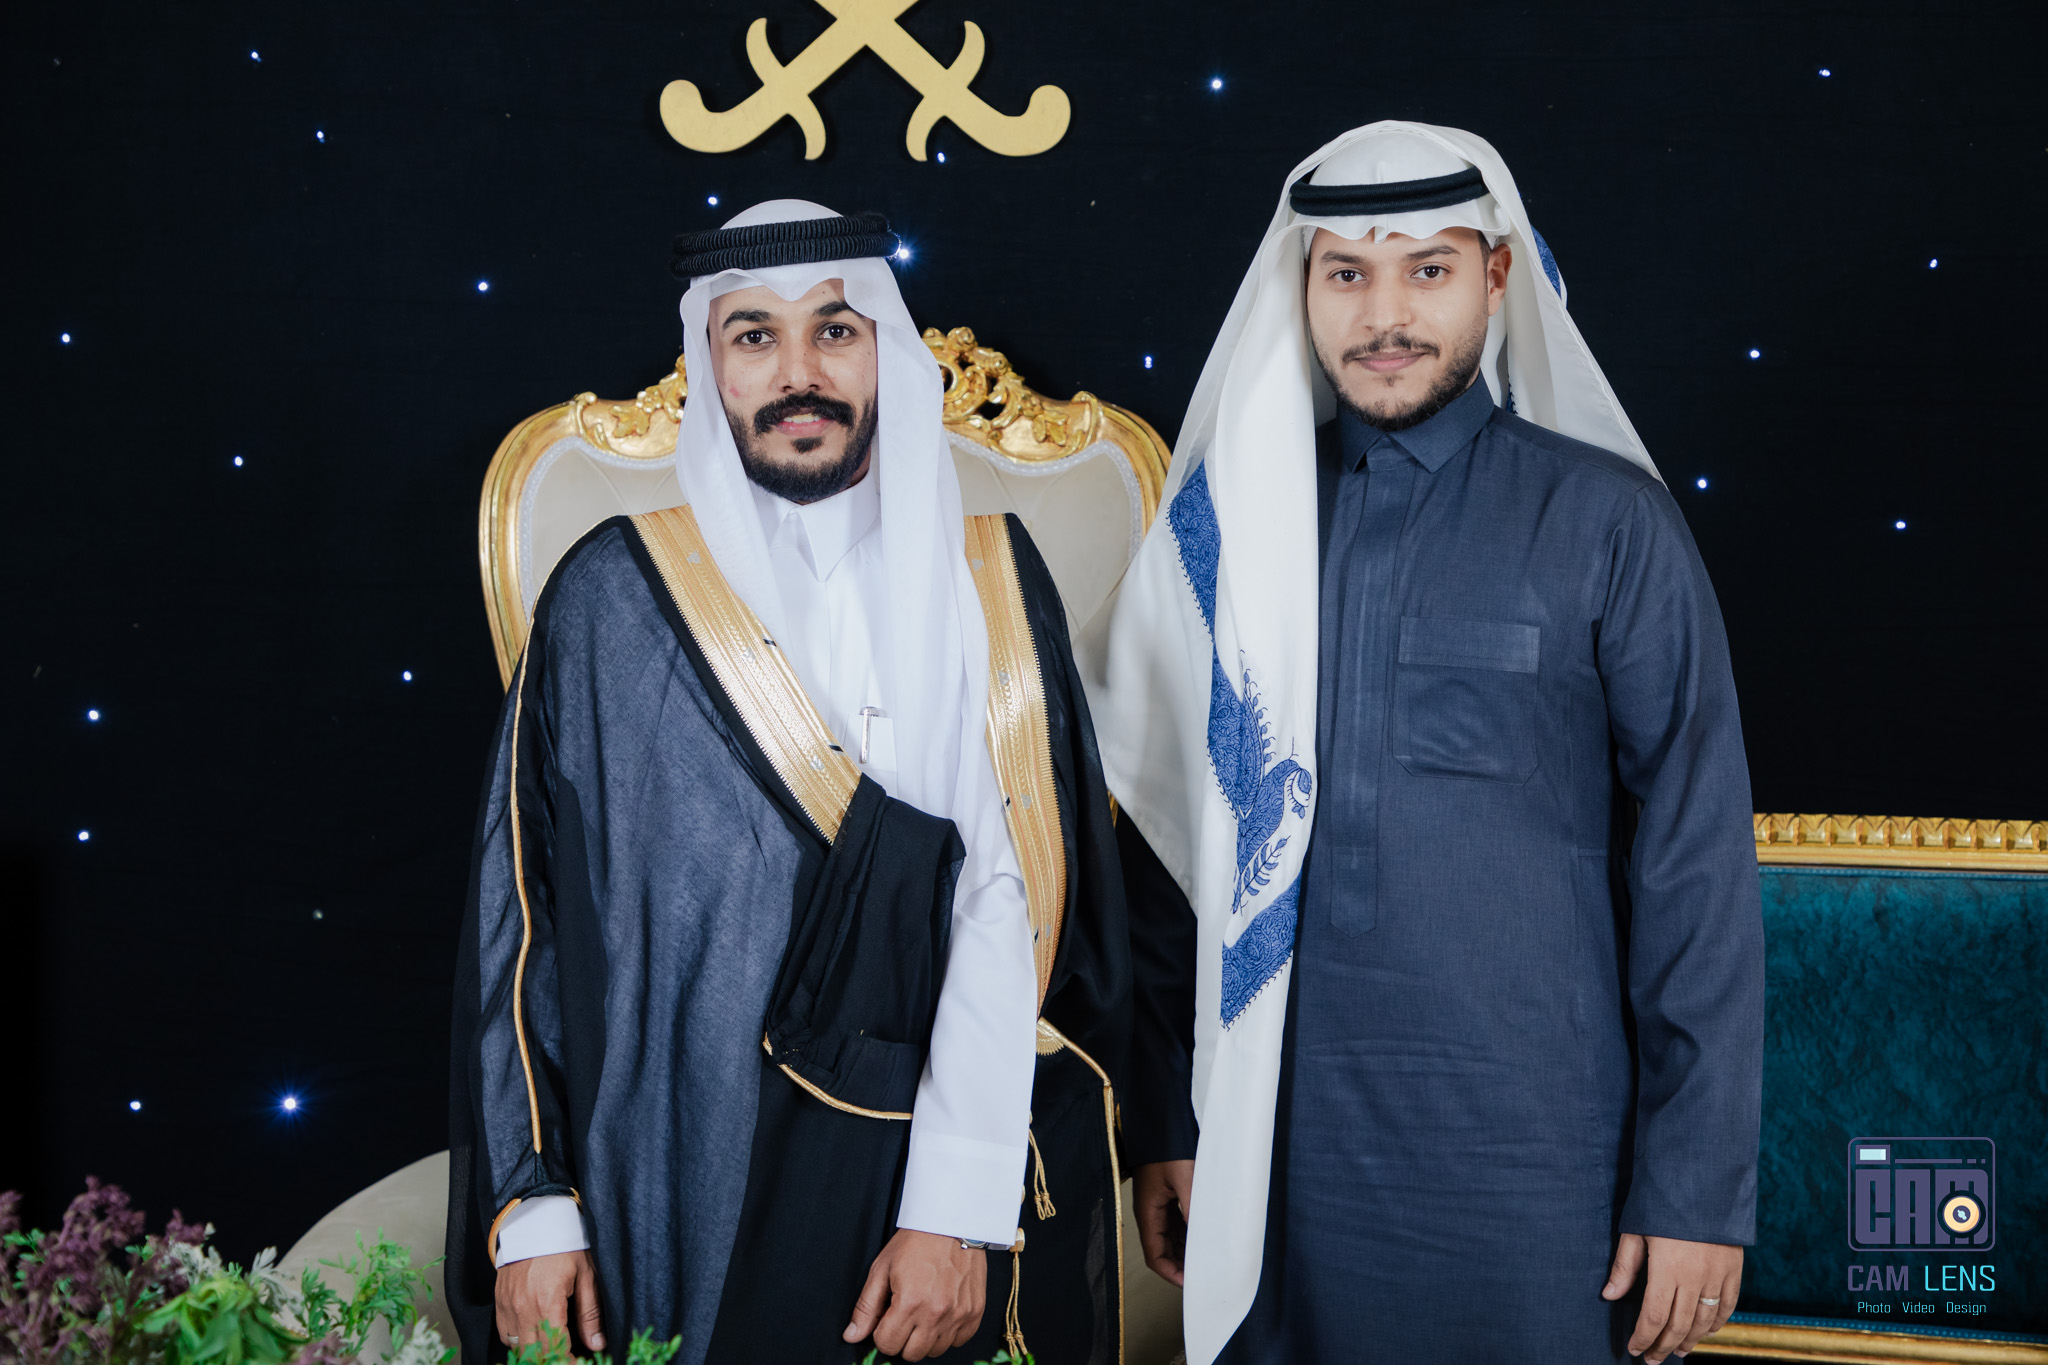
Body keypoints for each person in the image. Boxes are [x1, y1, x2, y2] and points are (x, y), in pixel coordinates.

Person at [1085, 123, 1765, 1364]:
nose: (1383, 315)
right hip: (1273, 1150)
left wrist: (1693, 1188)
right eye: (1346, 272)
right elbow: (1168, 850)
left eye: (1427, 270)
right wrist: (1166, 1123)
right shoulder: (1229, 536)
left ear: (1495, 279)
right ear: (1299, 287)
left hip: (1537, 1166)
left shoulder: (1608, 524)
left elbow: (1696, 870)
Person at [446, 201, 1130, 1365]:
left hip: (922, 1174)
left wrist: (954, 1212)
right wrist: (535, 1204)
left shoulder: (989, 582)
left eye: (835, 331)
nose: (797, 373)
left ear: (887, 354)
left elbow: (1007, 909)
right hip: (666, 1175)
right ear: (708, 364)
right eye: (754, 335)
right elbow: (522, 920)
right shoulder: (608, 599)